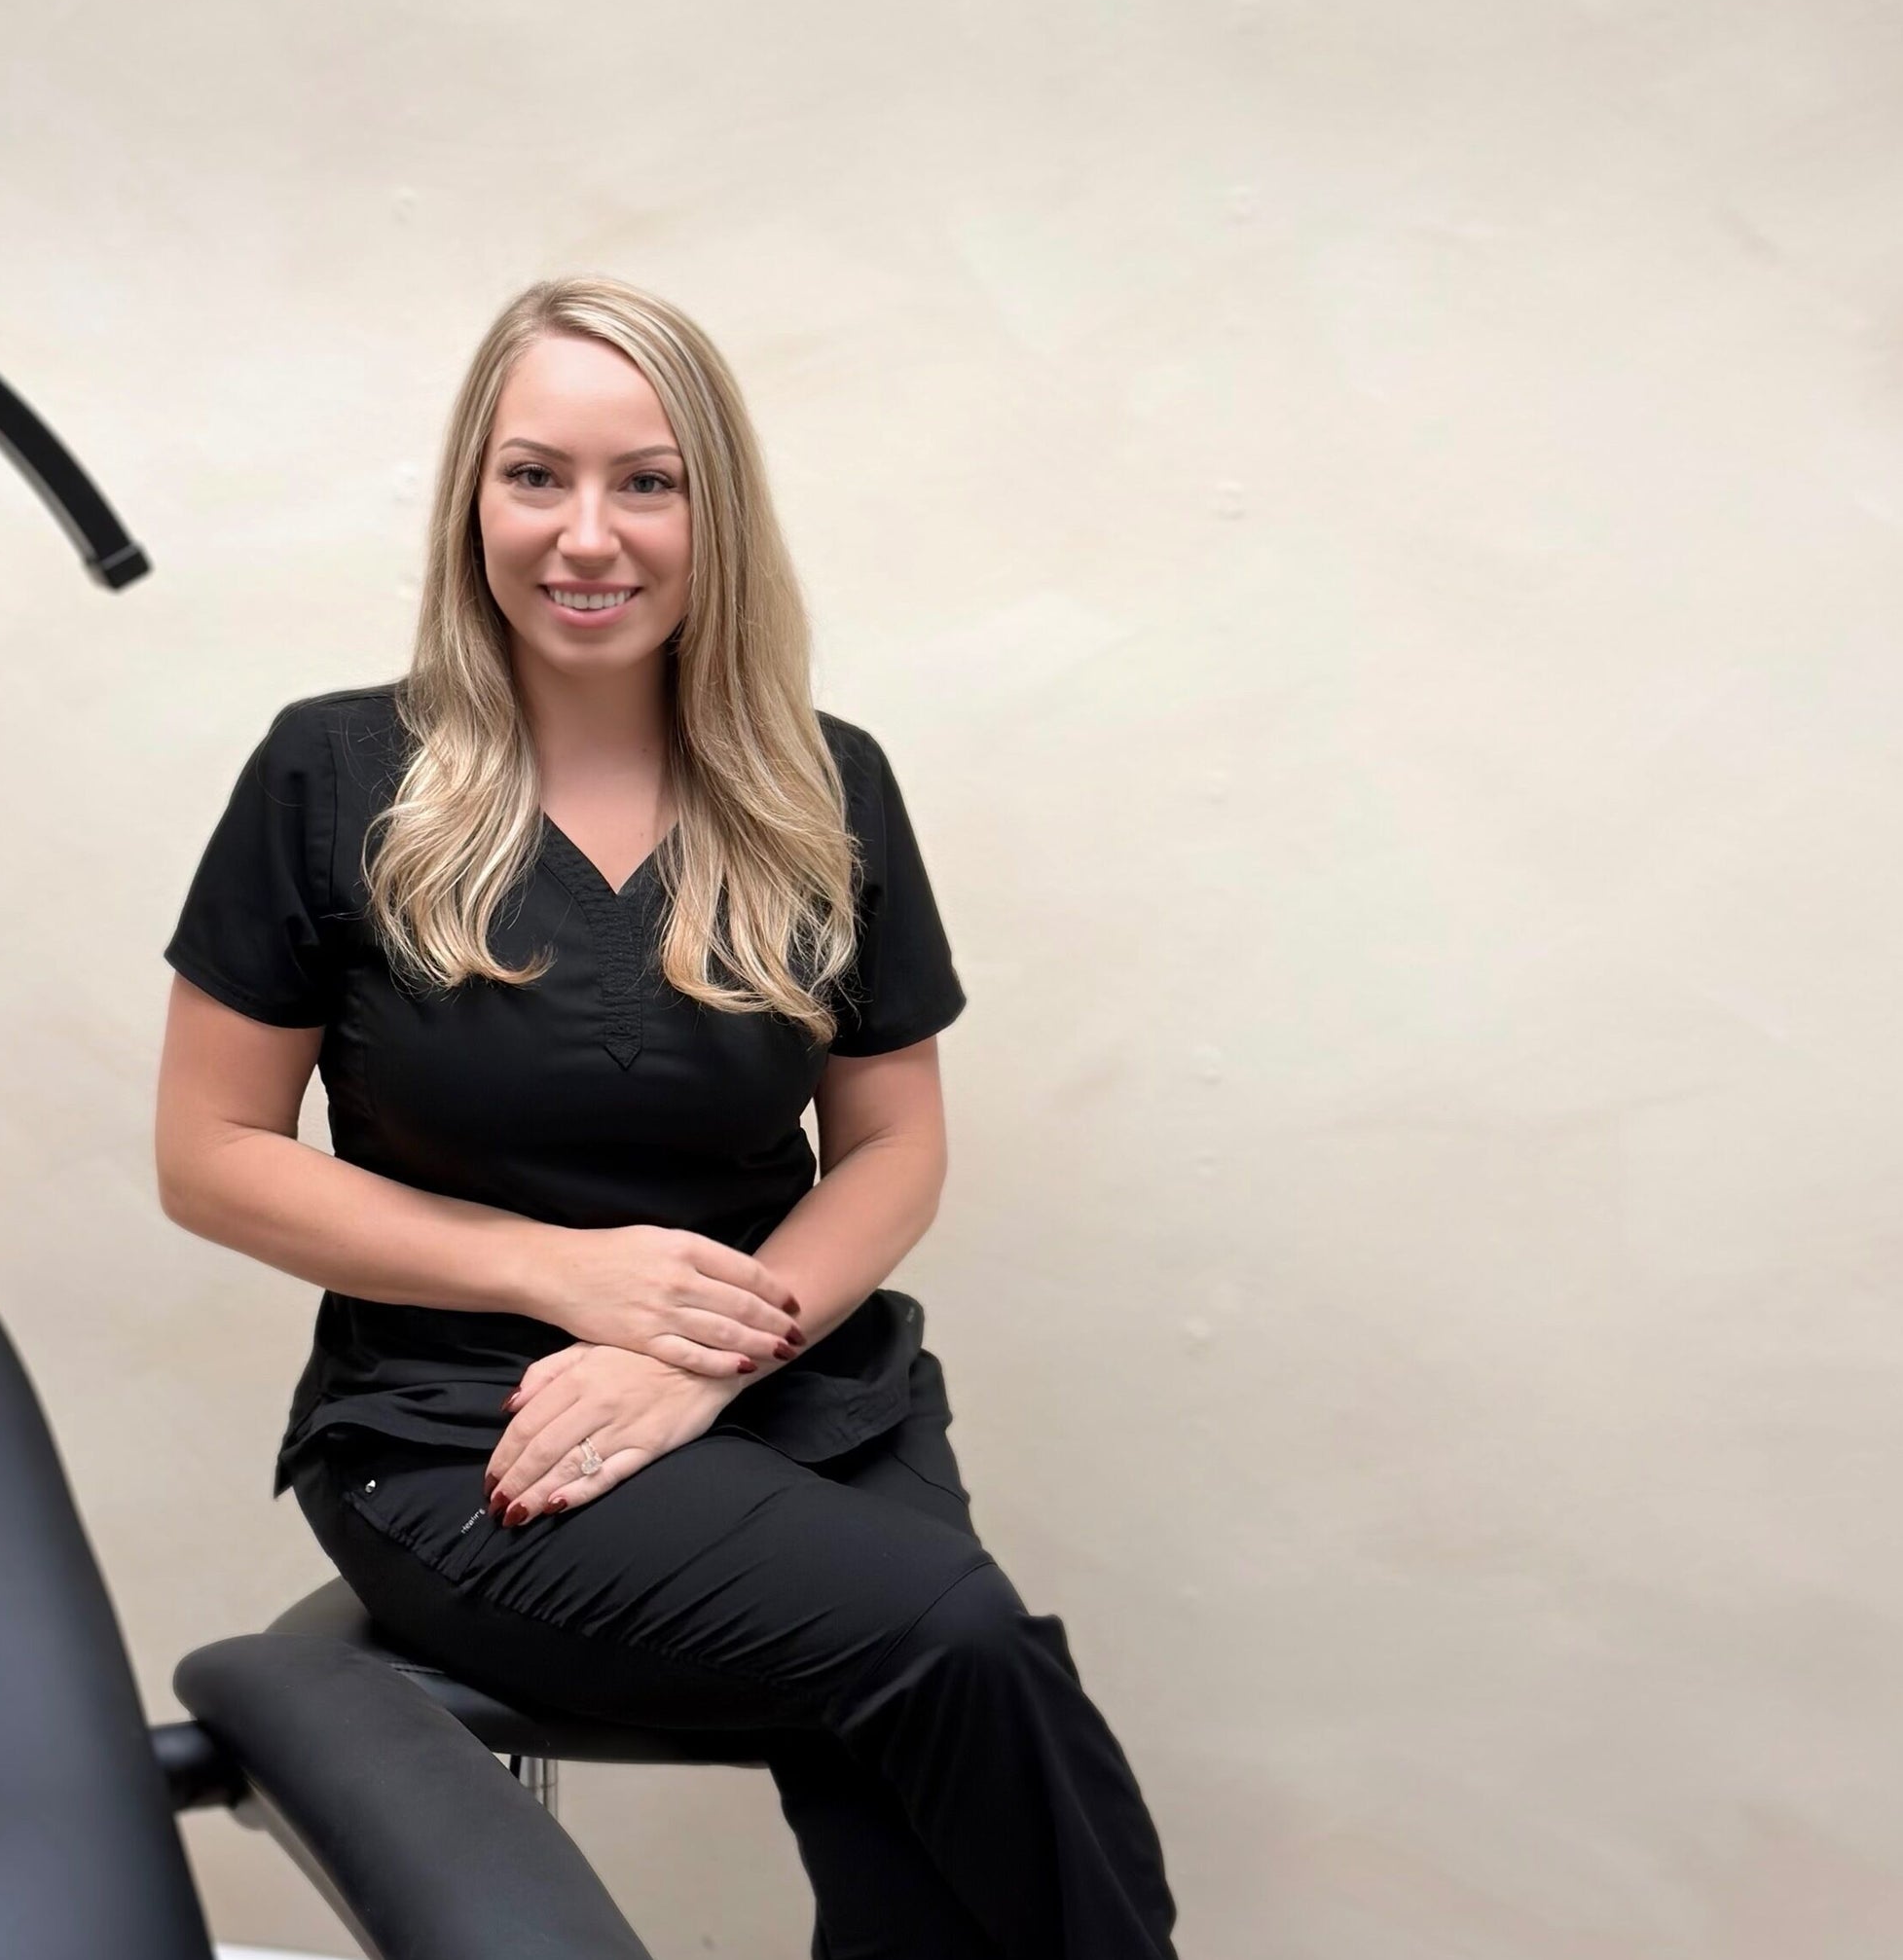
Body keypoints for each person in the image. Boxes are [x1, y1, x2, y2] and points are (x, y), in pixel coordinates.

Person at [152, 275, 1177, 1960]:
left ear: (717, 507)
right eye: (534, 475)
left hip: (794, 1378)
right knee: (955, 1642)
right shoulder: (331, 776)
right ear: (470, 500)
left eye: (648, 481)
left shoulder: (822, 782)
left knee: (911, 1743)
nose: (587, 536)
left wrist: (709, 1351)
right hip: (467, 1425)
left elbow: (896, 1147)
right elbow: (212, 1157)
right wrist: (571, 1283)